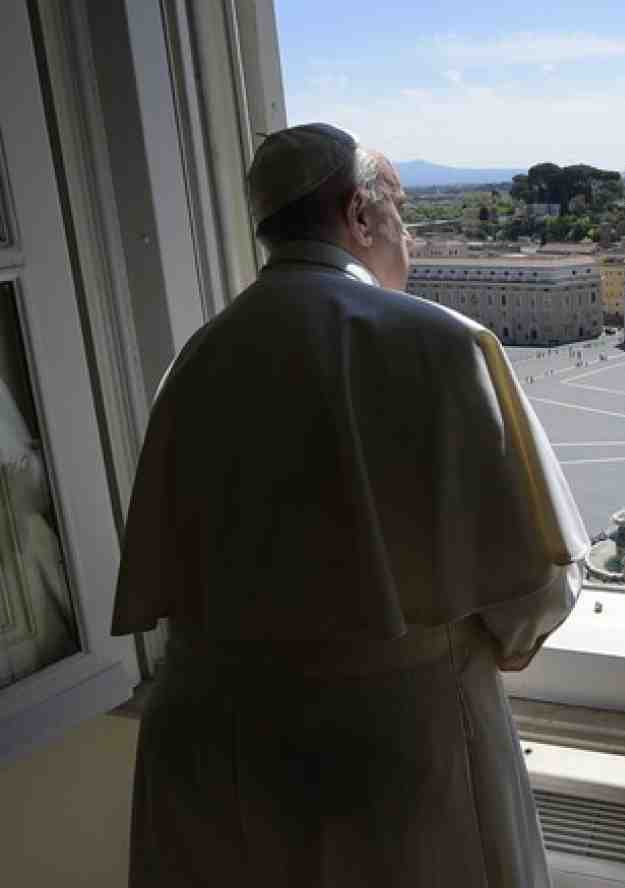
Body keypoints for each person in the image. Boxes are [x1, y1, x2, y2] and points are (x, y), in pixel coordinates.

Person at [112, 123, 589, 887]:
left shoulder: (197, 357)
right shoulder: (441, 344)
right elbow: (533, 591)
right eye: (398, 207)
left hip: (210, 750)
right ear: (359, 216)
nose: (411, 235)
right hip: (389, 755)